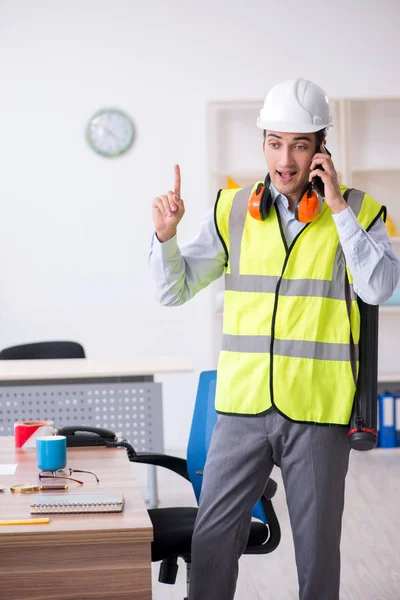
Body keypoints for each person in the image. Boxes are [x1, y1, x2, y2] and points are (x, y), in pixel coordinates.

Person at [149, 78, 400, 600]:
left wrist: (338, 210)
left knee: (316, 551)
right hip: (241, 408)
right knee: (212, 539)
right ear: (263, 140)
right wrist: (167, 237)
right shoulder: (232, 210)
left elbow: (379, 287)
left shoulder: (360, 211)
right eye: (275, 142)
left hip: (317, 410)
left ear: (321, 148)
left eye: (300, 144)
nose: (285, 159)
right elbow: (173, 290)